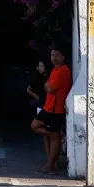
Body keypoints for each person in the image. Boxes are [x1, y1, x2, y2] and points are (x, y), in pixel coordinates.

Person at [31, 46, 71, 174]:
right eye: (52, 55)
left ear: (63, 57)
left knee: (52, 136)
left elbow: (50, 88)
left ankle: (50, 164)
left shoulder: (63, 71)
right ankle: (56, 137)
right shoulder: (55, 70)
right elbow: (46, 86)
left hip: (56, 109)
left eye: (57, 55)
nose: (54, 58)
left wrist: (47, 86)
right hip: (48, 107)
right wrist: (47, 86)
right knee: (35, 125)